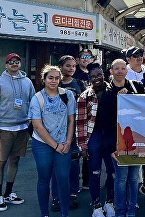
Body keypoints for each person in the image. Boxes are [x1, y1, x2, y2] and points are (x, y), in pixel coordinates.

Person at [0, 53, 34, 212]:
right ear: (6, 65)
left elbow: (33, 101)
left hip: (22, 128)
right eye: (11, 62)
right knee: (1, 161)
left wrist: (32, 121)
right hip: (3, 128)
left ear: (20, 63)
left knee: (15, 160)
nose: (14, 64)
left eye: (17, 61)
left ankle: (8, 193)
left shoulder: (27, 82)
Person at [29, 65, 76, 217]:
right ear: (44, 79)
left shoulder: (67, 95)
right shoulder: (37, 98)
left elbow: (71, 120)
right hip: (43, 144)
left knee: (63, 177)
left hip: (63, 142)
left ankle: (64, 213)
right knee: (44, 177)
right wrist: (55, 145)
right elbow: (37, 126)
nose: (54, 81)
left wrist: (68, 142)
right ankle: (44, 213)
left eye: (57, 78)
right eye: (50, 78)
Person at [106, 59, 145, 217]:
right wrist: (112, 148)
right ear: (111, 71)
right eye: (116, 68)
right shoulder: (107, 91)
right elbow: (105, 121)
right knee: (121, 179)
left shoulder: (135, 86)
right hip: (118, 143)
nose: (119, 71)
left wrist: (129, 95)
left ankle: (131, 211)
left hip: (136, 141)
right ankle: (120, 211)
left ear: (126, 71)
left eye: (122, 68)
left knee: (133, 179)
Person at [77, 63, 116, 217]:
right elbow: (80, 123)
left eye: (99, 75)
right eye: (93, 76)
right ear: (89, 79)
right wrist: (83, 146)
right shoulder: (84, 96)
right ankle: (96, 205)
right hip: (94, 136)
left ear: (103, 74)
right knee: (95, 172)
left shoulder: (114, 92)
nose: (97, 78)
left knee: (112, 172)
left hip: (111, 136)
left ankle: (109, 202)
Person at [124, 45, 145, 203]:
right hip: (128, 123)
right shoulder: (123, 72)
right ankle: (131, 194)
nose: (138, 57)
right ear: (128, 59)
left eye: (140, 54)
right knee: (130, 158)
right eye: (134, 55)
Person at [51, 55, 85, 212]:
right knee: (56, 166)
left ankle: (72, 194)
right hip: (55, 132)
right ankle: (56, 197)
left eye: (73, 66)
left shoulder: (79, 84)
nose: (71, 68)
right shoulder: (52, 84)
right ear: (60, 66)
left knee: (73, 165)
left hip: (74, 131)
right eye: (67, 66)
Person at [74, 48, 93, 190]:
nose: (85, 59)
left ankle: (86, 181)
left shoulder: (94, 72)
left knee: (88, 151)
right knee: (75, 152)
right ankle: (74, 183)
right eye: (83, 57)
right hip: (76, 115)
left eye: (88, 56)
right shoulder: (74, 74)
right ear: (78, 59)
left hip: (91, 116)